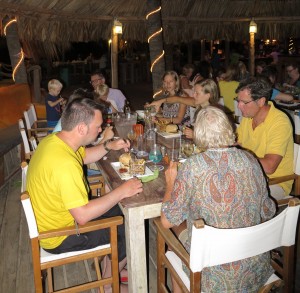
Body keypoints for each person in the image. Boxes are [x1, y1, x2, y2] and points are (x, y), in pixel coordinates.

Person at [27, 98, 143, 292]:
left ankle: (109, 272)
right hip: (59, 235)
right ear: (81, 128)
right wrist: (121, 191)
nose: (100, 130)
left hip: (58, 217)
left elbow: (86, 156)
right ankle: (107, 286)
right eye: (98, 126)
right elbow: (83, 215)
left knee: (119, 211)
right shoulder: (64, 164)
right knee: (127, 227)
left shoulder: (55, 142)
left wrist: (108, 146)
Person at [161, 106, 276, 292]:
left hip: (210, 276)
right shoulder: (251, 160)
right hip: (255, 268)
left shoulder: (192, 167)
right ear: (228, 129)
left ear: (199, 133)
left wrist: (170, 184)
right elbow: (268, 210)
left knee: (173, 234)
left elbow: (166, 221)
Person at [236, 77, 294, 200]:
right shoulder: (248, 117)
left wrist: (237, 156)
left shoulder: (279, 122)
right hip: (249, 175)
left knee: (233, 198)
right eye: (238, 100)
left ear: (261, 101)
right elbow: (237, 145)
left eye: (244, 102)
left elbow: (269, 167)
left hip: (275, 183)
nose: (239, 106)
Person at [147, 79, 220, 139]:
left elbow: (216, 139)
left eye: (197, 93)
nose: (193, 95)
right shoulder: (198, 104)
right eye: (194, 92)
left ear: (208, 95)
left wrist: (195, 136)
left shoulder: (212, 114)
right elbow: (177, 99)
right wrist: (160, 102)